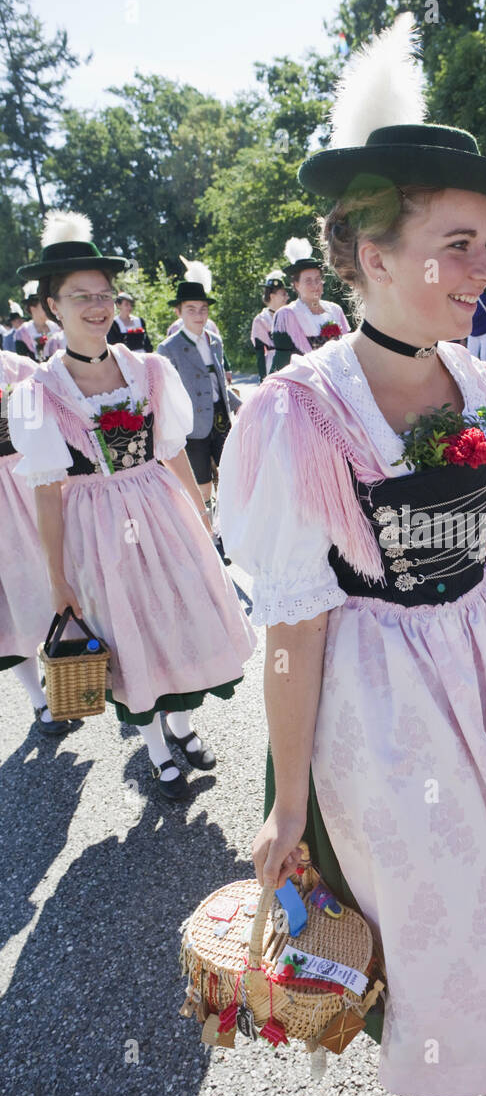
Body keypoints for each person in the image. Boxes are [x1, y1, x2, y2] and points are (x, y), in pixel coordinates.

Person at [219, 14, 486, 1096]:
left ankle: (481, 1053)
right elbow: (293, 619)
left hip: (484, 666)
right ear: (371, 256)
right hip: (381, 699)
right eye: (458, 245)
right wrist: (287, 803)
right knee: (423, 900)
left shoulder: (483, 381)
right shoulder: (296, 413)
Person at [10, 212, 256, 795]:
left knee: (183, 613)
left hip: (161, 508)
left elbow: (172, 451)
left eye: (104, 294)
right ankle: (155, 749)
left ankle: (182, 723)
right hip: (95, 521)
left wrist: (200, 516)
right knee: (129, 631)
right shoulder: (38, 392)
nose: (97, 306)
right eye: (80, 296)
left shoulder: (150, 367)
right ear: (52, 306)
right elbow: (47, 489)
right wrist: (57, 576)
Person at [0, 346, 71, 734]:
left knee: (52, 578)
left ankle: (69, 675)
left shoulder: (21, 369)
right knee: (9, 603)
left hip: (30, 483)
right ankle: (37, 698)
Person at [157, 260, 238, 563]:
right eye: (191, 309)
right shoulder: (168, 348)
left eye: (203, 309)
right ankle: (209, 536)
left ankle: (228, 532)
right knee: (202, 483)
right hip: (192, 425)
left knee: (229, 477)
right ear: (178, 312)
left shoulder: (214, 341)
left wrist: (237, 401)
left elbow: (217, 379)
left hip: (220, 418)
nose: (198, 315)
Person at [271, 237, 351, 368]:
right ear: (296, 285)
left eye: (318, 279)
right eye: (308, 281)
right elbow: (281, 362)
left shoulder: (335, 310)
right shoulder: (287, 315)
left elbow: (348, 350)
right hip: (307, 381)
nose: (315, 285)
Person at [250, 271, 288, 381]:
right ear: (272, 296)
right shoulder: (261, 320)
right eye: (283, 294)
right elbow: (260, 353)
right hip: (273, 366)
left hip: (291, 364)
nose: (287, 297)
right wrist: (263, 378)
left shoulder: (289, 316)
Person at [13, 282, 61, 362]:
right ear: (32, 307)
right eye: (44, 306)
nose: (48, 308)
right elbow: (23, 363)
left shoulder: (56, 327)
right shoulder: (23, 333)